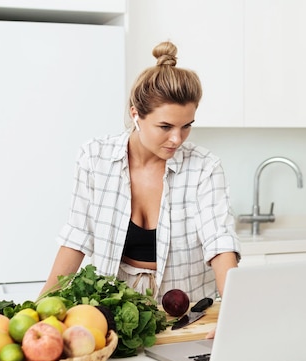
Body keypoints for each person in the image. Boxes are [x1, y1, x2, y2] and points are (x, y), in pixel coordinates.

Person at [40, 41, 241, 302]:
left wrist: (232, 310)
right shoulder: (95, 157)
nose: (177, 139)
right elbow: (77, 237)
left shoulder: (205, 167)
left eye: (186, 126)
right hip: (115, 309)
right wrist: (40, 305)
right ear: (136, 115)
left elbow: (220, 242)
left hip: (187, 311)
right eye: (165, 126)